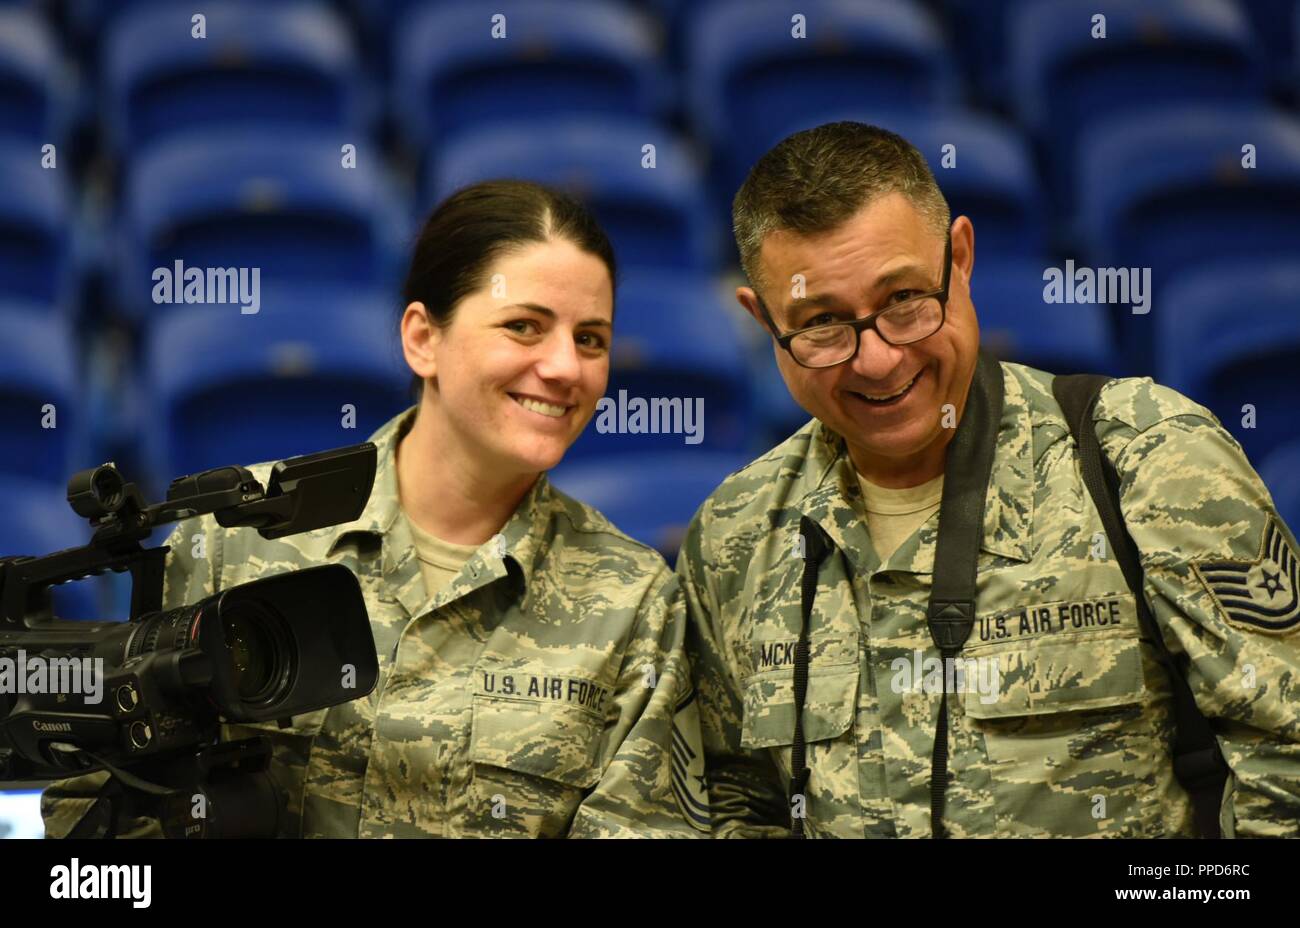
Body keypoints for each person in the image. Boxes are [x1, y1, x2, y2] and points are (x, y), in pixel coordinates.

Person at [677, 121, 1300, 838]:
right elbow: (734, 803)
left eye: (905, 299)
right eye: (822, 324)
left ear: (960, 259)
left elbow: (1285, 768)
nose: (877, 360)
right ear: (763, 322)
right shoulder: (734, 536)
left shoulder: (1144, 456)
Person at [43, 179, 709, 838]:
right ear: (423, 338)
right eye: (524, 326)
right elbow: (95, 813)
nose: (566, 367)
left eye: (590, 339)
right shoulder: (238, 537)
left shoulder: (634, 602)